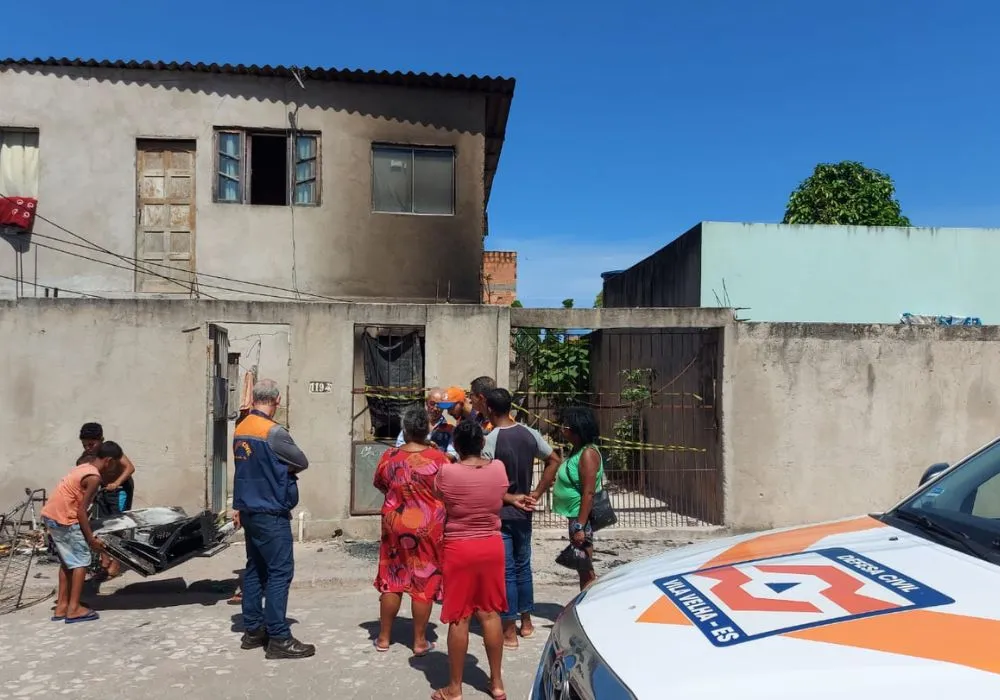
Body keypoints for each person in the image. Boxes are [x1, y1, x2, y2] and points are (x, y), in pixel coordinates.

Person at [433, 420, 533, 700]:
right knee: (490, 613)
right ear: (481, 444)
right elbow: (500, 493)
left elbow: (438, 494)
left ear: (458, 445)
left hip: (459, 548)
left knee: (459, 617)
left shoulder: (447, 472)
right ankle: (497, 683)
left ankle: (454, 688)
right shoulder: (498, 469)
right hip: (491, 545)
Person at [232, 378, 315, 659]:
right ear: (277, 401)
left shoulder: (240, 428)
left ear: (254, 398)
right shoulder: (274, 432)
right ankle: (279, 636)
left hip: (249, 508)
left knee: (255, 568)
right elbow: (301, 461)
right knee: (280, 572)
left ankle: (253, 629)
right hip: (271, 509)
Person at [481, 388, 562, 648]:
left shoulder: (491, 439)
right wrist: (536, 493)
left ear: (490, 410)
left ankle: (509, 630)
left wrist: (508, 497)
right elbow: (554, 459)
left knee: (506, 571)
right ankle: (526, 622)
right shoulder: (530, 433)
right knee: (523, 566)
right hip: (525, 512)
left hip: (502, 512)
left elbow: (486, 481)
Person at [372, 406, 449, 655]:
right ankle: (418, 641)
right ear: (426, 429)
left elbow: (380, 483)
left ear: (405, 429)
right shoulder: (439, 459)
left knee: (392, 578)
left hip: (395, 523)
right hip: (429, 526)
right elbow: (448, 488)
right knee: (423, 581)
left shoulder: (389, 457)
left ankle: (383, 638)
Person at [41, 443, 124, 624]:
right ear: (108, 461)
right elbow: (81, 511)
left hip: (52, 516)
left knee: (66, 561)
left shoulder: (83, 467)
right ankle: (74, 609)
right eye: (116, 465)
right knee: (81, 561)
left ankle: (62, 606)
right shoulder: (93, 478)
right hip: (66, 519)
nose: (115, 470)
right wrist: (91, 539)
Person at [550, 406, 605, 590]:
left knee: (585, 568)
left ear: (576, 429)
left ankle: (590, 604)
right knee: (582, 567)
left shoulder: (588, 454)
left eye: (565, 426)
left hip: (581, 518)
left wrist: (580, 526)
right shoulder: (577, 450)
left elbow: (588, 493)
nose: (562, 429)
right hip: (575, 516)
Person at [79, 422, 136, 513]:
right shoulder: (87, 456)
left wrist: (116, 483)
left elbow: (130, 468)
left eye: (91, 444)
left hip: (121, 488)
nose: (87, 448)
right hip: (104, 489)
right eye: (84, 445)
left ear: (101, 440)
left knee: (118, 517)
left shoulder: (110, 450)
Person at [394, 387, 458, 459]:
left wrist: (437, 451)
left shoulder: (450, 430)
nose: (436, 408)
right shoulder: (413, 423)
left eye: (440, 405)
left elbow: (453, 456)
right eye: (432, 404)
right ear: (426, 403)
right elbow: (399, 447)